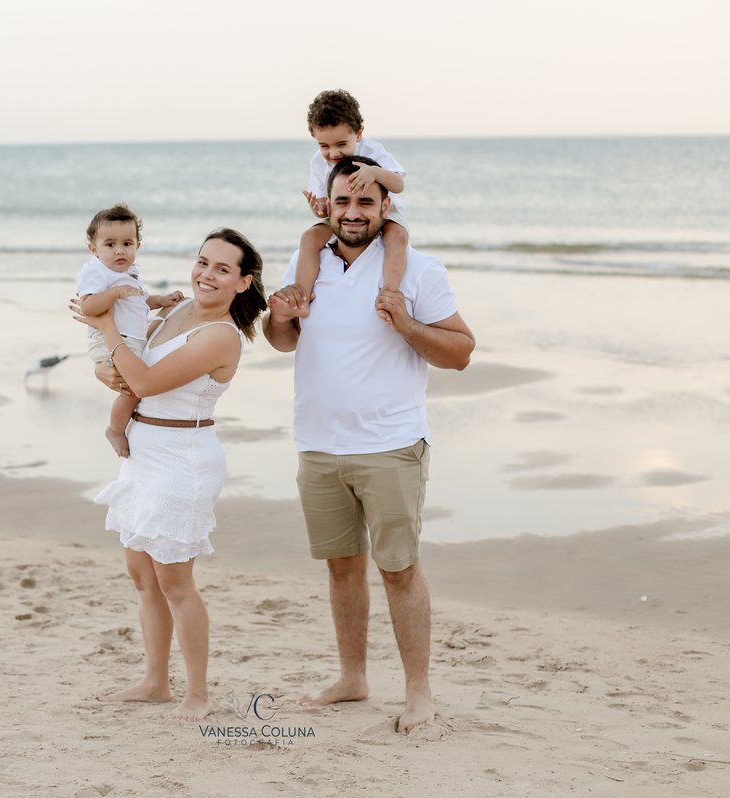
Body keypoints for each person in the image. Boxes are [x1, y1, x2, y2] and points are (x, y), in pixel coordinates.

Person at [263, 156, 475, 735]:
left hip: (390, 444)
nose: (352, 212)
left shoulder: (416, 270)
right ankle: (352, 678)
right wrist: (278, 319)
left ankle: (418, 693)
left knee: (399, 569)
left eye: (364, 201)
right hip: (317, 443)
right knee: (341, 567)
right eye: (342, 202)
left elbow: (461, 352)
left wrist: (407, 324)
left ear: (385, 206)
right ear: (328, 207)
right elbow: (284, 340)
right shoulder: (308, 263)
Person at [74, 228, 268, 722]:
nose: (207, 274)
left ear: (243, 282)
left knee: (176, 583)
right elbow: (126, 368)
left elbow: (142, 379)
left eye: (222, 269)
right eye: (203, 262)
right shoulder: (175, 311)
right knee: (142, 576)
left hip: (184, 460)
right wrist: (104, 369)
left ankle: (197, 693)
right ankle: (155, 682)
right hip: (143, 452)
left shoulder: (220, 335)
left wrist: (105, 325)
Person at [75, 204, 184, 458]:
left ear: (137, 245)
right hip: (108, 340)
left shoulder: (130, 272)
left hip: (130, 340)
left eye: (127, 243)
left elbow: (140, 300)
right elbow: (88, 307)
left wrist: (162, 300)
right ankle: (115, 429)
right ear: (94, 249)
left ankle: (136, 423)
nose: (119, 250)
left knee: (140, 385)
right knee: (133, 388)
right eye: (110, 244)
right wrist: (115, 293)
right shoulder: (95, 271)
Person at [295, 89, 409, 324]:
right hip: (342, 213)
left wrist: (375, 172)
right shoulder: (318, 162)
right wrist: (319, 209)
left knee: (397, 236)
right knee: (309, 237)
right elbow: (324, 205)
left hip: (382, 211)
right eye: (324, 145)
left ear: (358, 134)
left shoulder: (373, 151)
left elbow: (398, 185)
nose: (333, 153)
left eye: (341, 144)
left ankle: (389, 293)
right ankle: (301, 297)